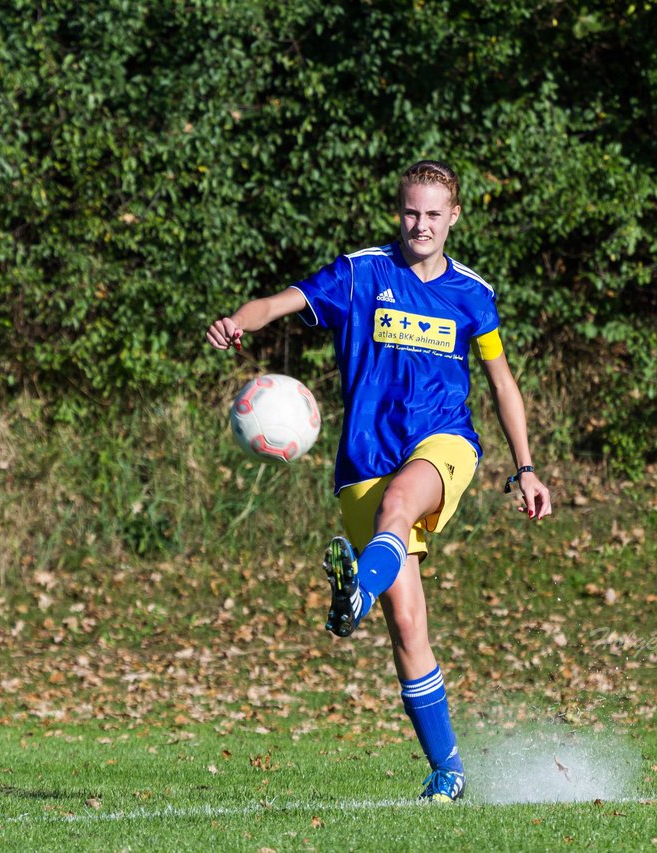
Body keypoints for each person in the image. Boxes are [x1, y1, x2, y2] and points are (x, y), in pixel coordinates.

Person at [206, 160, 551, 803]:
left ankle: (354, 595)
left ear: (454, 218)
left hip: (443, 443)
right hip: (365, 458)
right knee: (409, 624)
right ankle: (448, 772)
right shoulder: (362, 272)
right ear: (400, 214)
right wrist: (239, 322)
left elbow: (502, 382)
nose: (420, 225)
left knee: (401, 504)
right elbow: (278, 303)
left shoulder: (473, 294)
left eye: (433, 215)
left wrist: (525, 467)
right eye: (410, 213)